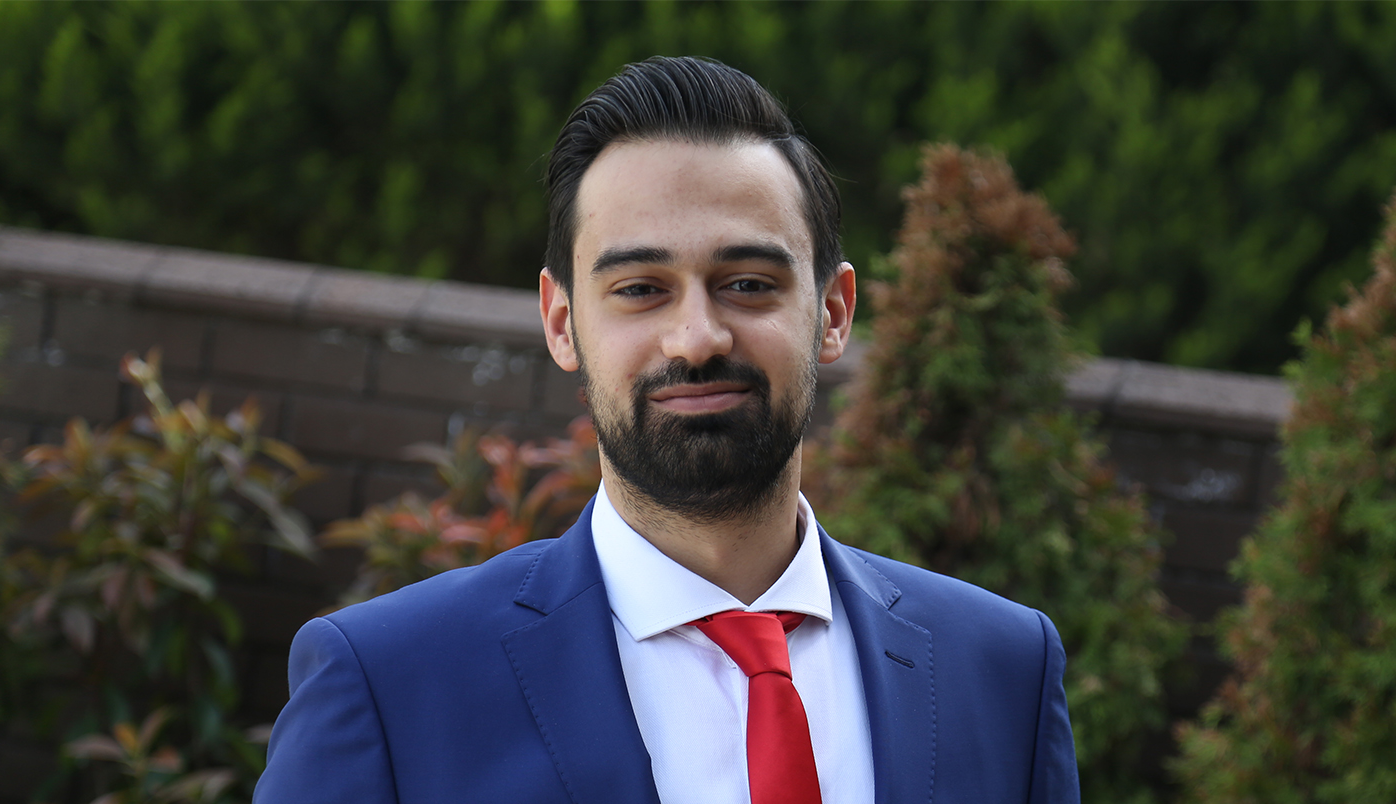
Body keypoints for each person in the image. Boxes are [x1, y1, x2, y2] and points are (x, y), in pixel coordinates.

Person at [255, 56, 1079, 804]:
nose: (697, 337)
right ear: (562, 321)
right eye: (641, 289)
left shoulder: (1003, 668)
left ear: (832, 313)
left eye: (749, 283)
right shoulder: (391, 684)